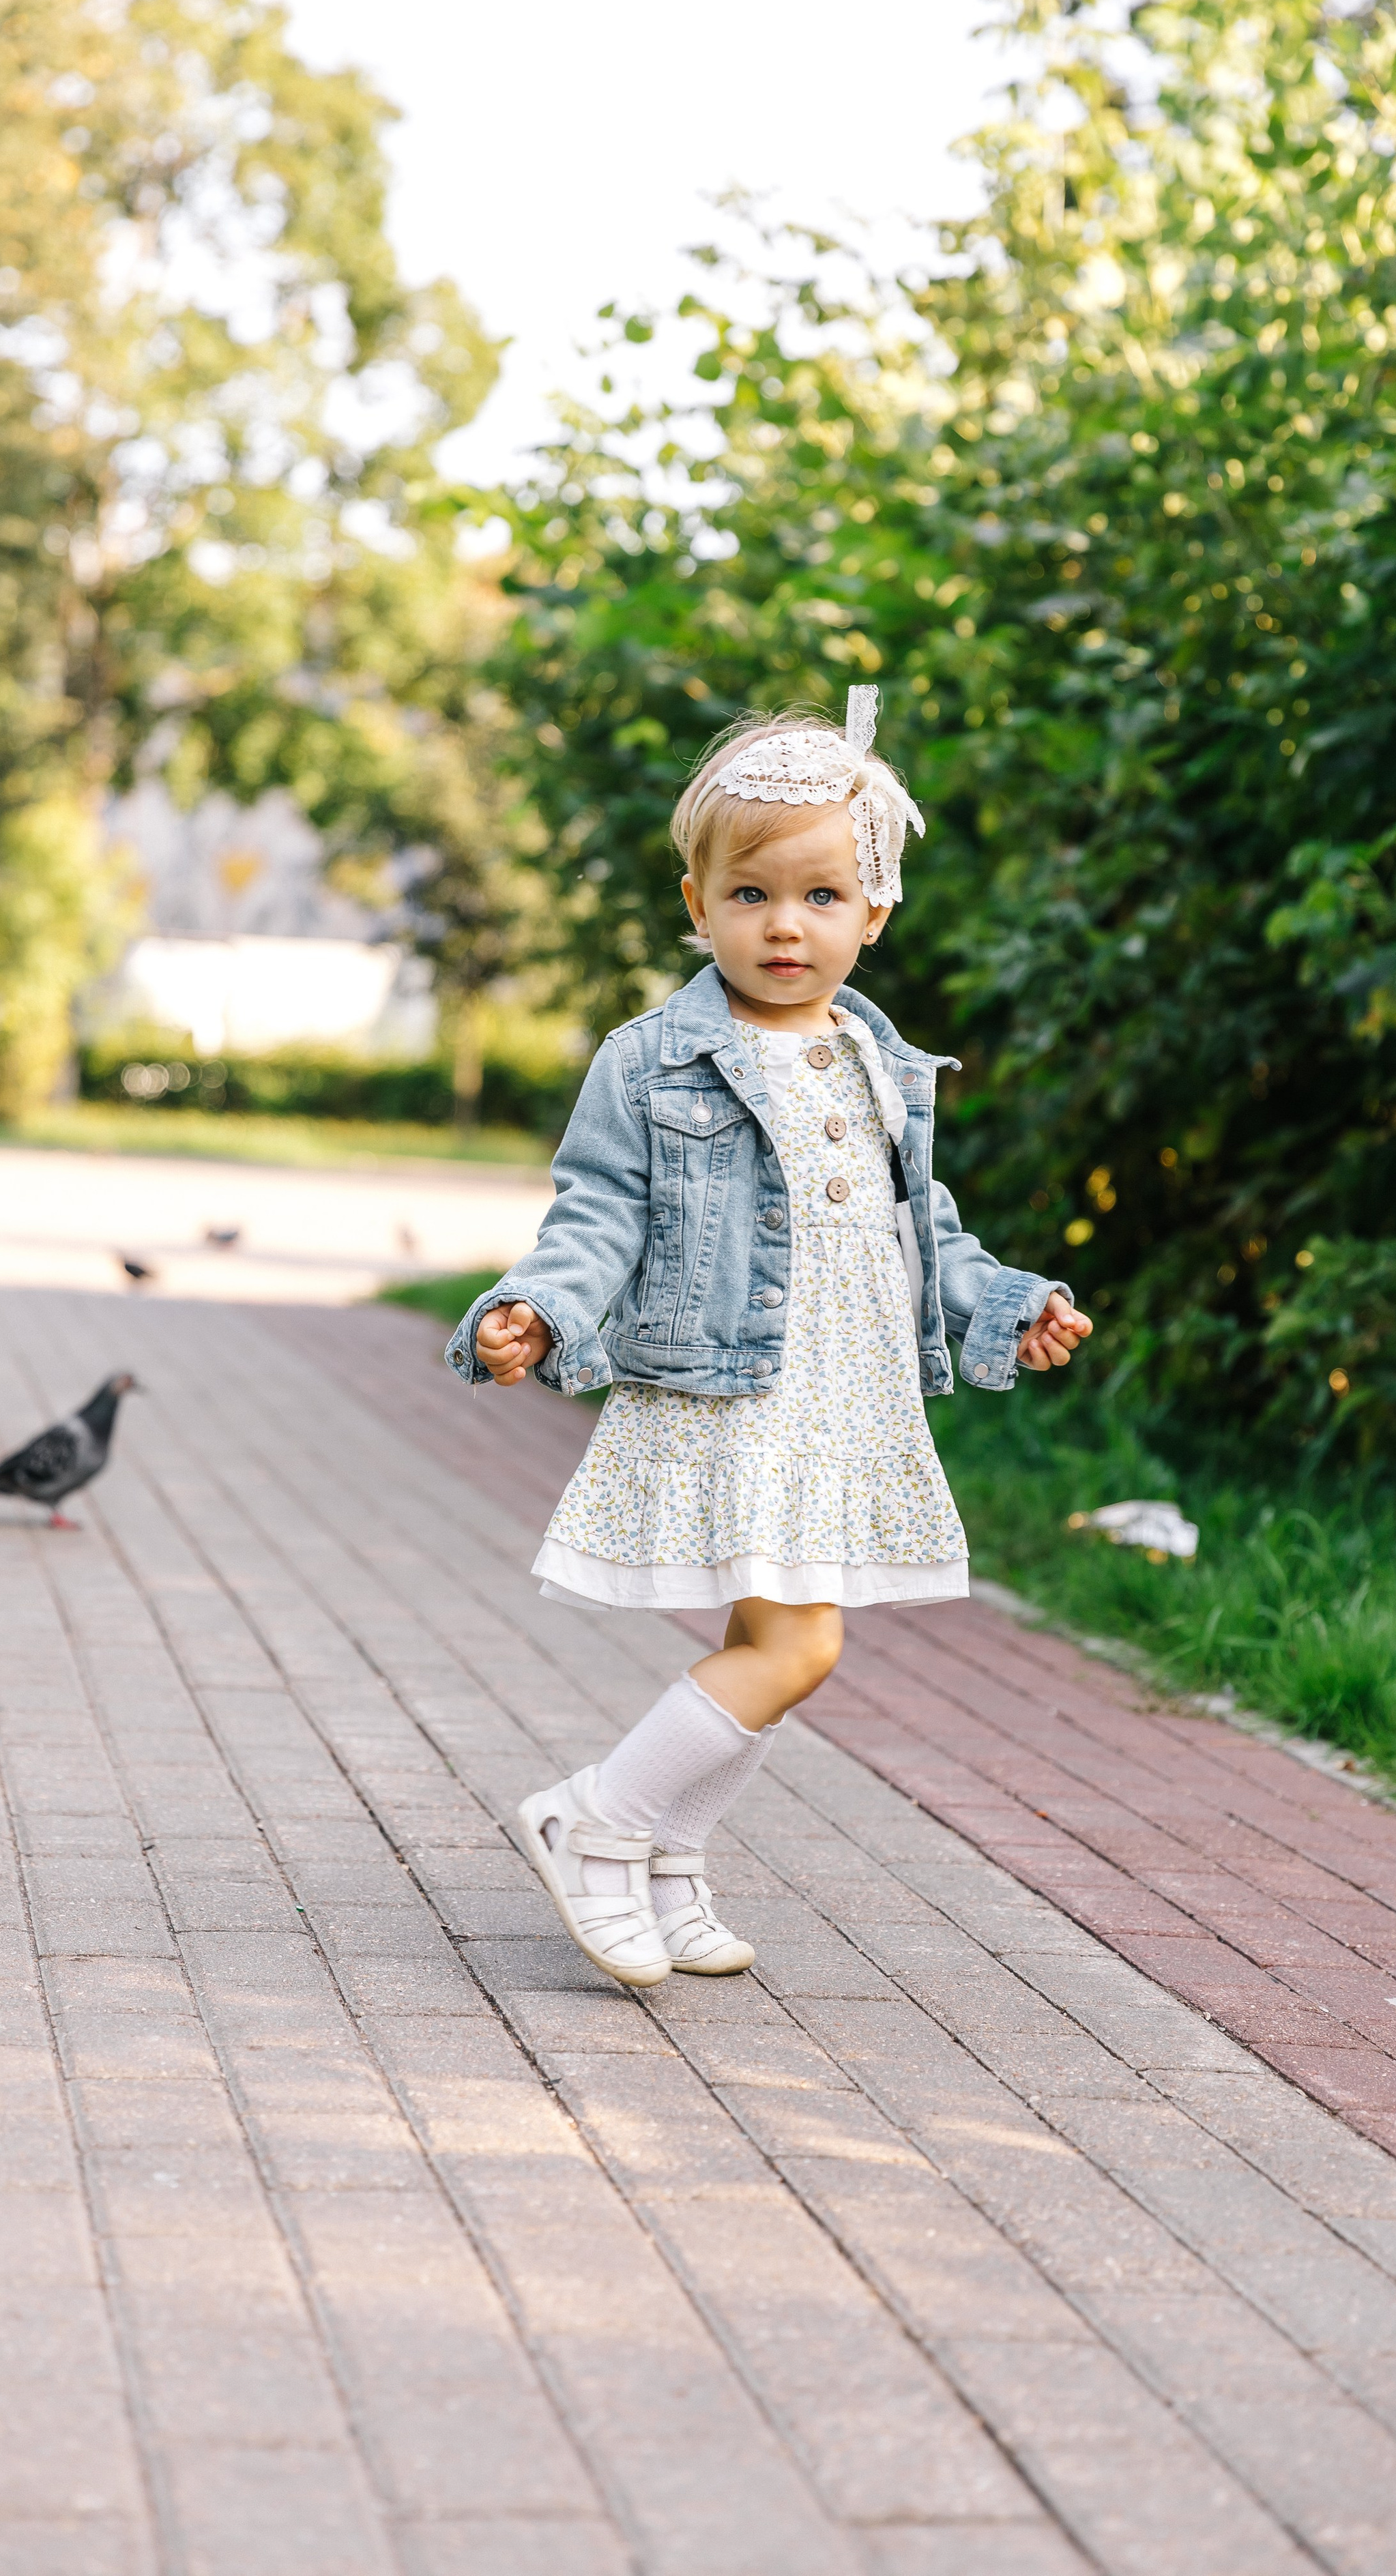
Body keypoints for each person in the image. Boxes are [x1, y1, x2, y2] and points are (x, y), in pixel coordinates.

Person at [445, 688, 1092, 1987]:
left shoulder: (876, 1058)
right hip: (736, 1392)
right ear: (697, 904)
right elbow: (598, 1211)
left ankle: (672, 1864)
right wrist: (537, 1307)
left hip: (845, 1400)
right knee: (804, 1646)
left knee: (766, 1648)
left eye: (820, 898)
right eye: (750, 896)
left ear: (874, 914)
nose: (784, 924)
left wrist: (1007, 1303)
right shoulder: (656, 1059)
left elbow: (926, 1235)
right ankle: (600, 1822)